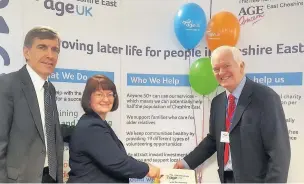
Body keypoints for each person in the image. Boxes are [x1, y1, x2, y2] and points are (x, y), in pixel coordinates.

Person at [174, 46, 290, 183]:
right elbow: (213, 140)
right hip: (227, 179)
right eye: (216, 69)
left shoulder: (265, 98)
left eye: (226, 65)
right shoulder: (218, 102)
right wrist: (186, 163)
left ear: (241, 66)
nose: (221, 72)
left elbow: (279, 153)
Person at [67, 75, 160, 183]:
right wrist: (147, 169)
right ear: (88, 98)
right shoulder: (92, 127)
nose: (106, 99)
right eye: (99, 94)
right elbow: (117, 163)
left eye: (110, 94)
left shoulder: (96, 122)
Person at [0, 26, 64, 182]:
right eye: (42, 47)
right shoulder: (7, 84)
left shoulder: (50, 89)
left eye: (55, 49)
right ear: (26, 52)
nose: (50, 55)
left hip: (50, 177)